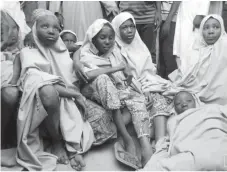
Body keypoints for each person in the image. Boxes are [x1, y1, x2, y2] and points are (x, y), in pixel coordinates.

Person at [1, 9, 94, 171]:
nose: (51, 31)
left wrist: (77, 61)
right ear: (35, 29)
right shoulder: (28, 53)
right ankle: (57, 142)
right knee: (48, 91)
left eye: (56, 28)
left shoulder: (62, 50)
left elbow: (80, 46)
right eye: (45, 26)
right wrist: (75, 94)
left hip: (65, 96)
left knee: (60, 98)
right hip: (37, 100)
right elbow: (39, 81)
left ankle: (69, 146)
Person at [79, 19, 153, 167]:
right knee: (103, 79)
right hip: (96, 96)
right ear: (93, 38)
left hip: (116, 95)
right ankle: (126, 138)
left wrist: (138, 88)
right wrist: (116, 68)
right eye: (102, 37)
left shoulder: (116, 52)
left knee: (136, 98)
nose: (107, 41)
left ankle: (146, 147)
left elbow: (128, 75)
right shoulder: (85, 54)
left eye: (111, 37)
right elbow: (89, 75)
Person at [111, 12, 174, 148]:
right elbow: (121, 80)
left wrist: (147, 88)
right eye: (124, 27)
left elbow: (148, 72)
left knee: (160, 97)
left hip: (145, 84)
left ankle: (159, 143)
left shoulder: (139, 45)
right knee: (142, 103)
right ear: (116, 29)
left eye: (132, 27)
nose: (129, 31)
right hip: (127, 89)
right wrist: (142, 90)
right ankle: (149, 142)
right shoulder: (113, 50)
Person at [60, 29, 117, 147]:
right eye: (66, 40)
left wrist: (76, 59)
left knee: (102, 116)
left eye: (72, 41)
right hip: (63, 95)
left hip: (78, 93)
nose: (69, 43)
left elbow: (79, 48)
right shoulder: (56, 55)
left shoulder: (81, 56)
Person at [169, 14, 227, 106]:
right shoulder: (195, 48)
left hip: (220, 97)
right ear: (201, 31)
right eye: (206, 28)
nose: (211, 31)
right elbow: (185, 74)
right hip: (194, 92)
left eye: (216, 27)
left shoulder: (224, 46)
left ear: (222, 29)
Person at [1, 10, 25, 149]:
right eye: (6, 29)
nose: (12, 33)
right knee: (10, 94)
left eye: (15, 28)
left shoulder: (24, 50)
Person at [157, 1, 180, 79]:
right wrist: (158, 13)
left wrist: (168, 21)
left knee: (168, 52)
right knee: (161, 54)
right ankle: (163, 81)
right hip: (159, 17)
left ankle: (173, 80)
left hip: (172, 19)